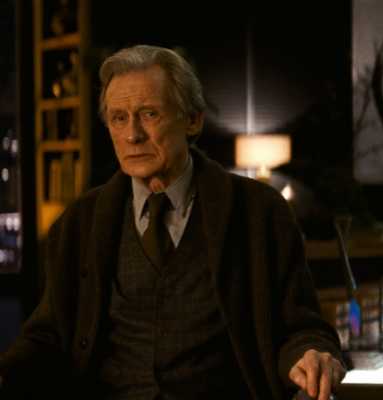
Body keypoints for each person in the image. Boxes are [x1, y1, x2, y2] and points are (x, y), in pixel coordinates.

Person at [0, 44, 345, 399]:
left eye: (149, 114)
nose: (132, 135)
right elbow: (47, 335)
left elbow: (301, 327)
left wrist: (311, 355)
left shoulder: (261, 213)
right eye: (119, 118)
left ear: (193, 120)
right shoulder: (79, 223)